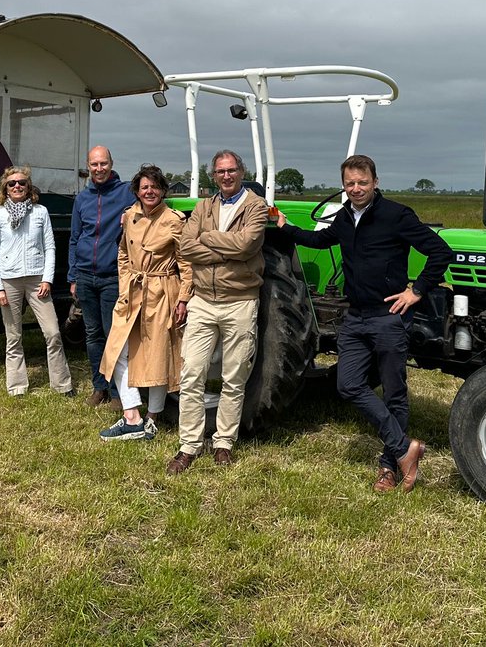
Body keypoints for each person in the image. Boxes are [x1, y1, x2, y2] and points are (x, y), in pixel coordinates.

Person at [275, 154, 452, 493]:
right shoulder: (344, 217)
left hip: (388, 316)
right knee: (348, 384)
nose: (356, 189)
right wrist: (285, 227)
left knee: (394, 392)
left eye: (362, 183)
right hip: (355, 315)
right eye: (350, 184)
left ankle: (389, 467)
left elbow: (440, 252)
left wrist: (416, 291)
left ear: (375, 182)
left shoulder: (396, 215)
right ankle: (404, 449)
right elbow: (320, 241)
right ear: (343, 186)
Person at [167, 150, 268, 473]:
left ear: (242, 172)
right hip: (202, 302)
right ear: (214, 175)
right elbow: (185, 245)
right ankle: (189, 445)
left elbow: (247, 246)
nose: (226, 176)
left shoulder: (256, 206)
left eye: (232, 170)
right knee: (192, 373)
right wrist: (223, 248)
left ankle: (224, 442)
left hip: (240, 300)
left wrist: (207, 240)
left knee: (234, 377)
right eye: (221, 171)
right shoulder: (203, 207)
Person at [97, 165, 192, 441]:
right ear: (137, 191)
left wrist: (183, 297)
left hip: (163, 291)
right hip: (133, 291)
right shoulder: (130, 216)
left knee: (158, 355)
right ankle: (131, 413)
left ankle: (152, 418)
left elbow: (186, 263)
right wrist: (125, 283)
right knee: (116, 351)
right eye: (144, 187)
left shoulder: (175, 220)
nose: (149, 191)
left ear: (162, 190)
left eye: (154, 187)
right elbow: (123, 254)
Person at [0, 165, 75, 397]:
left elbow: (50, 247)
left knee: (53, 332)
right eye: (12, 183)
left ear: (29, 186)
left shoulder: (40, 212)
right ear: (5, 188)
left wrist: (47, 279)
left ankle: (62, 384)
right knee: (14, 336)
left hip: (37, 280)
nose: (17, 186)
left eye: (22, 183)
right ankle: (17, 386)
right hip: (9, 280)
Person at [69, 145, 137, 406]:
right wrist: (73, 277)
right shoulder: (82, 199)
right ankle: (99, 388)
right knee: (92, 334)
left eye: (103, 164)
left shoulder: (125, 193)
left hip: (112, 276)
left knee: (114, 335)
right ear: (89, 167)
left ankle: (120, 392)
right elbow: (75, 238)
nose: (99, 169)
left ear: (111, 163)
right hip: (86, 275)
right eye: (94, 165)